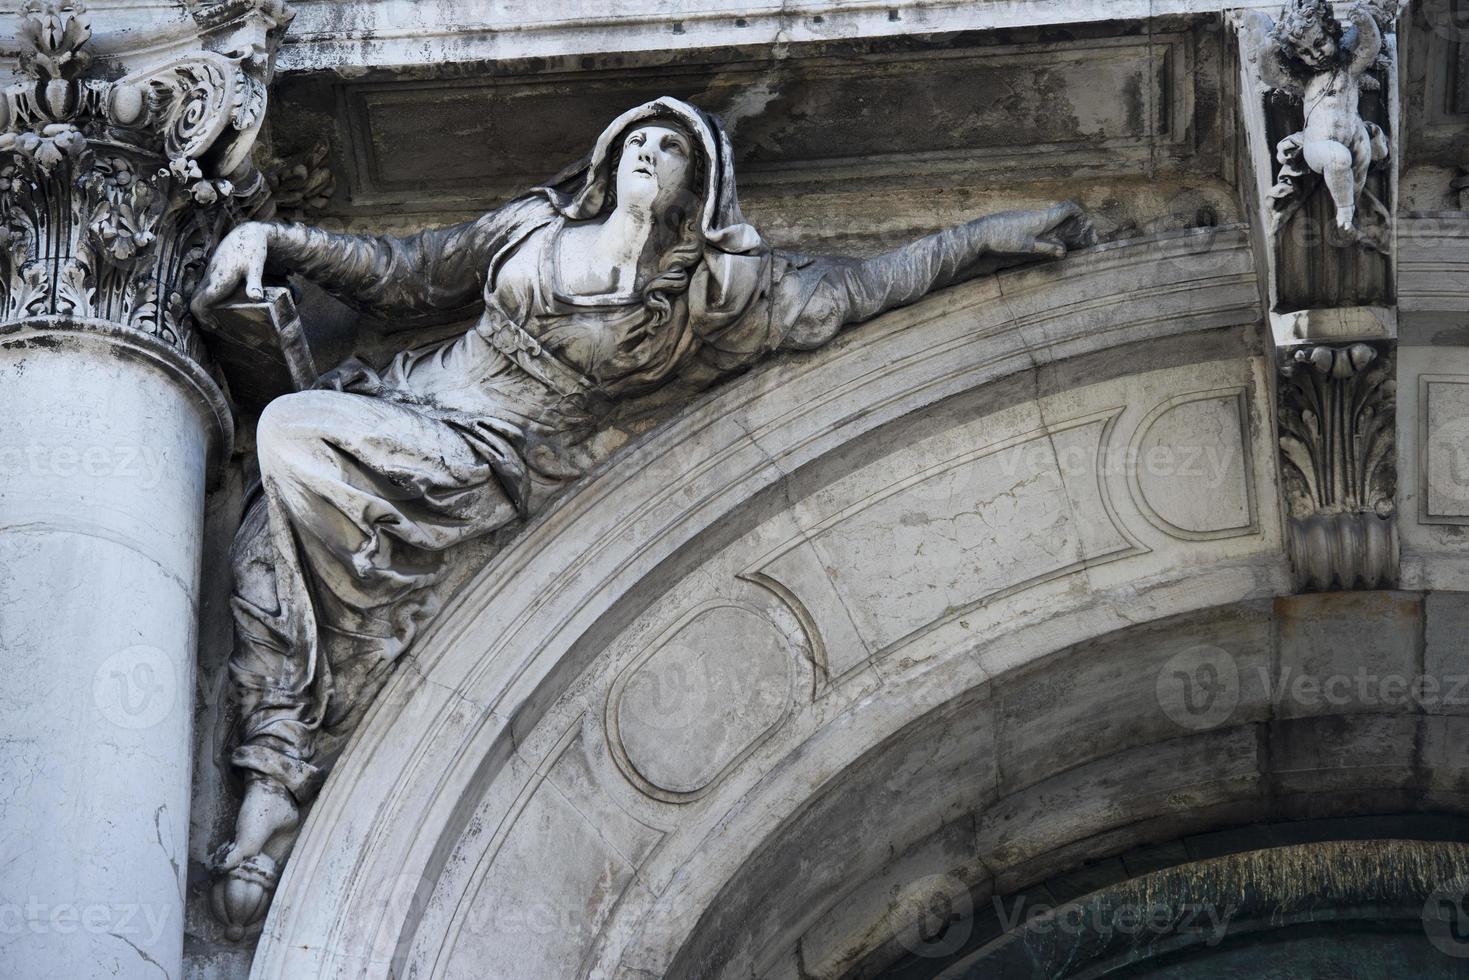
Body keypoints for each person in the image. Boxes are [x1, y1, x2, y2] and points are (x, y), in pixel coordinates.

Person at [191, 96, 1089, 933]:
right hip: (405, 403)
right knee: (272, 547)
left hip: (485, 463)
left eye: (669, 150)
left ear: (697, 189)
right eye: (635, 143)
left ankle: (282, 768)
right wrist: (279, 240)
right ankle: (276, 759)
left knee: (293, 437)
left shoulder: (706, 301)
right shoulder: (530, 229)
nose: (646, 155)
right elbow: (406, 275)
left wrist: (981, 239)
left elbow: (861, 287)